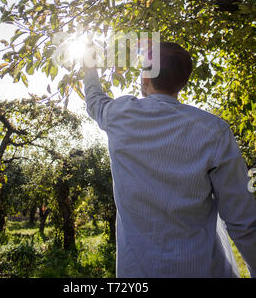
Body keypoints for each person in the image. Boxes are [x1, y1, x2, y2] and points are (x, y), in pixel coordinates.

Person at [82, 41, 256, 278]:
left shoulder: (119, 115)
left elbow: (94, 99)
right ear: (182, 81)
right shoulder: (214, 130)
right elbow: (243, 219)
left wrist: (89, 64)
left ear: (145, 79)